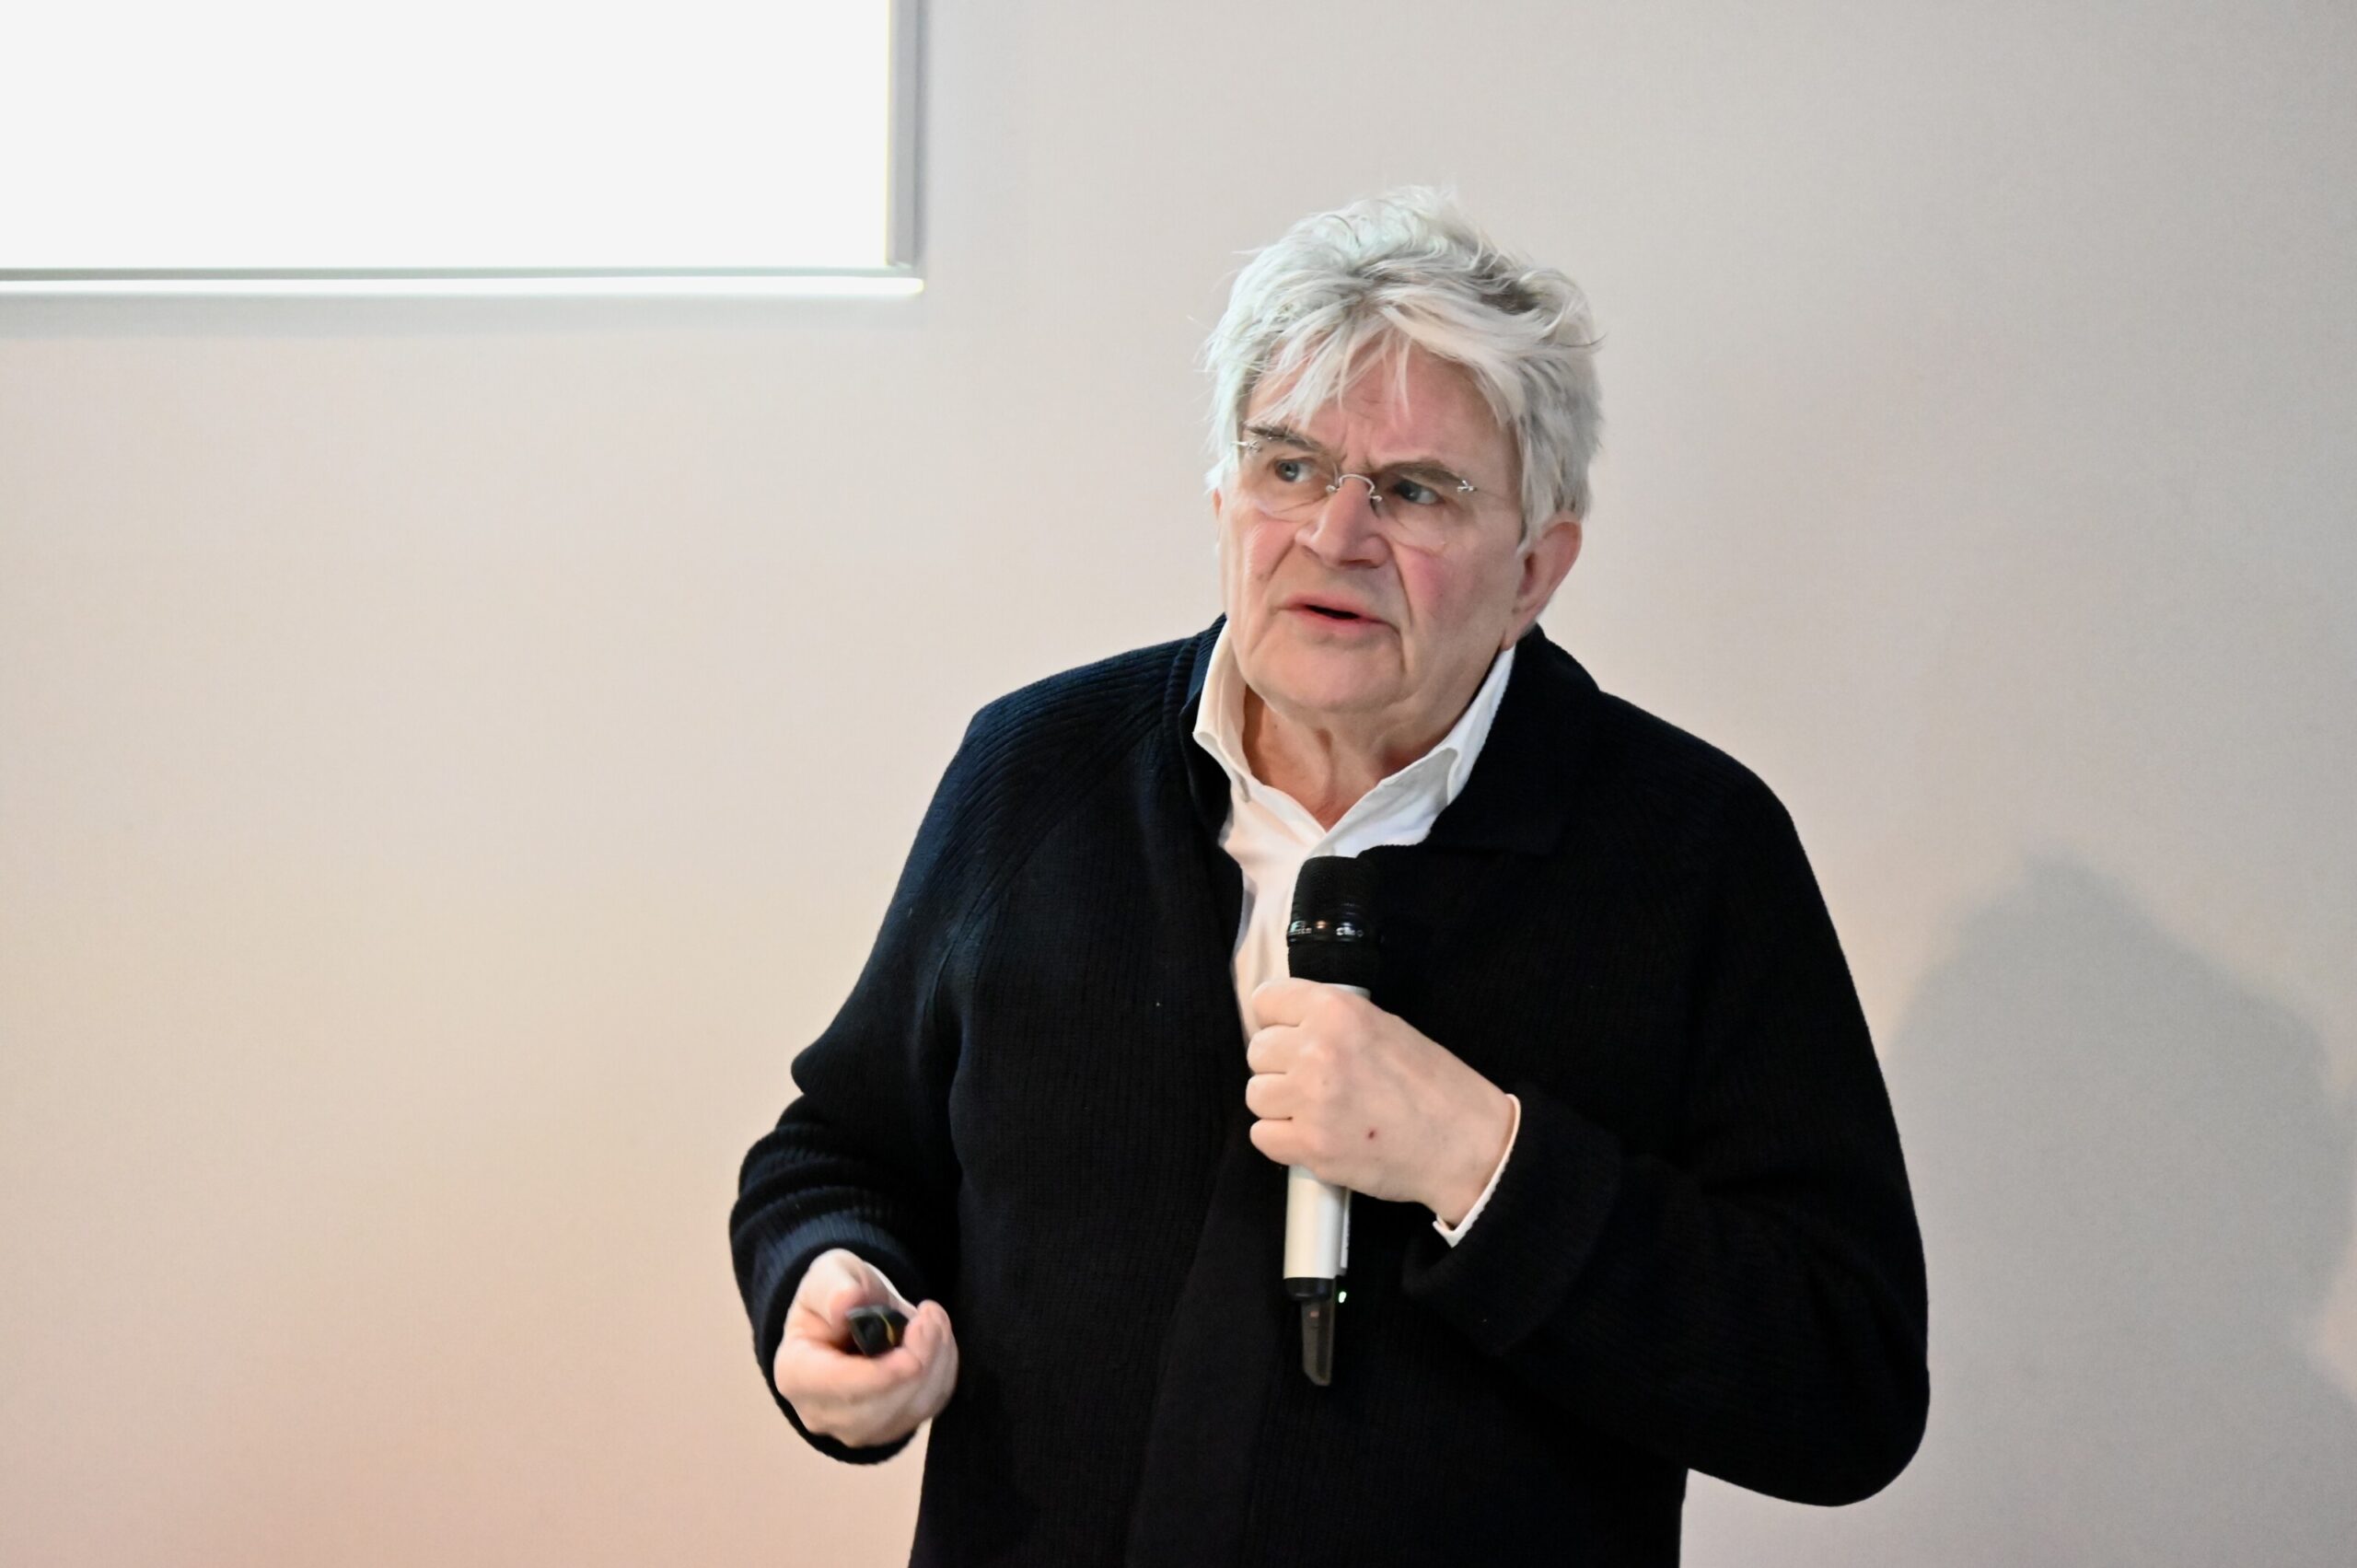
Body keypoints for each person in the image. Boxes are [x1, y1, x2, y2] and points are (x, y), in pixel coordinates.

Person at [730, 189, 1929, 1566]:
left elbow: (1846, 1387)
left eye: (1415, 490)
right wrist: (833, 1283)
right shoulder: (1037, 774)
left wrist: (1481, 1160)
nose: (1336, 536)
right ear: (1223, 498)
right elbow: (841, 1152)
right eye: (1290, 467)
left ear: (1537, 568)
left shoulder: (1694, 852)